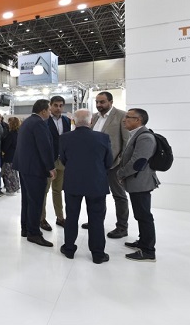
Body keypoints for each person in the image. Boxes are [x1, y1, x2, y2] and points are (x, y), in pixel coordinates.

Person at [59, 109, 113, 264]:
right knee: (96, 219)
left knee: (71, 217)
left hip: (73, 182)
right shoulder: (103, 138)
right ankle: (98, 254)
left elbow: (63, 160)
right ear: (91, 122)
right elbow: (108, 162)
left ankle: (69, 249)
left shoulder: (64, 138)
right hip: (96, 183)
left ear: (74, 122)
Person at [83, 91, 130, 238]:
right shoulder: (95, 117)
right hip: (95, 166)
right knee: (96, 195)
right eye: (97, 102)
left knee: (119, 196)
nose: (98, 105)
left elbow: (126, 142)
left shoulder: (122, 116)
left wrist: (120, 162)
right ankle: (96, 221)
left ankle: (122, 227)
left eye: (102, 102)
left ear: (110, 102)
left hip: (114, 165)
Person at [117, 108, 159, 262]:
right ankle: (142, 242)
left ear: (138, 120)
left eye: (128, 117)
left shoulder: (145, 137)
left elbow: (138, 162)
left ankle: (148, 250)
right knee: (140, 214)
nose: (124, 119)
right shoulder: (136, 135)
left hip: (141, 183)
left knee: (144, 216)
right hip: (136, 182)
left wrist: (121, 173)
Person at [13, 99, 56, 247]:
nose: (50, 113)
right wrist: (51, 167)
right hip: (35, 169)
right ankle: (34, 233)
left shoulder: (27, 122)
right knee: (36, 201)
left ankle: (26, 229)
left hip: (24, 167)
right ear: (43, 111)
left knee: (27, 200)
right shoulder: (39, 123)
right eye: (49, 110)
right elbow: (44, 147)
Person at [41, 96, 71, 231]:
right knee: (44, 191)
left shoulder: (66, 120)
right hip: (49, 161)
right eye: (55, 105)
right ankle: (41, 219)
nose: (58, 108)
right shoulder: (44, 121)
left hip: (62, 161)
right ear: (50, 106)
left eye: (61, 105)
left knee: (58, 191)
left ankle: (60, 217)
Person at [1, 117, 20, 195]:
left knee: (9, 173)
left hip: (9, 156)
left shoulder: (10, 134)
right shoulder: (19, 133)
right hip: (16, 155)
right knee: (15, 173)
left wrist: (2, 150)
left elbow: (6, 146)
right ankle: (17, 187)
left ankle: (11, 189)